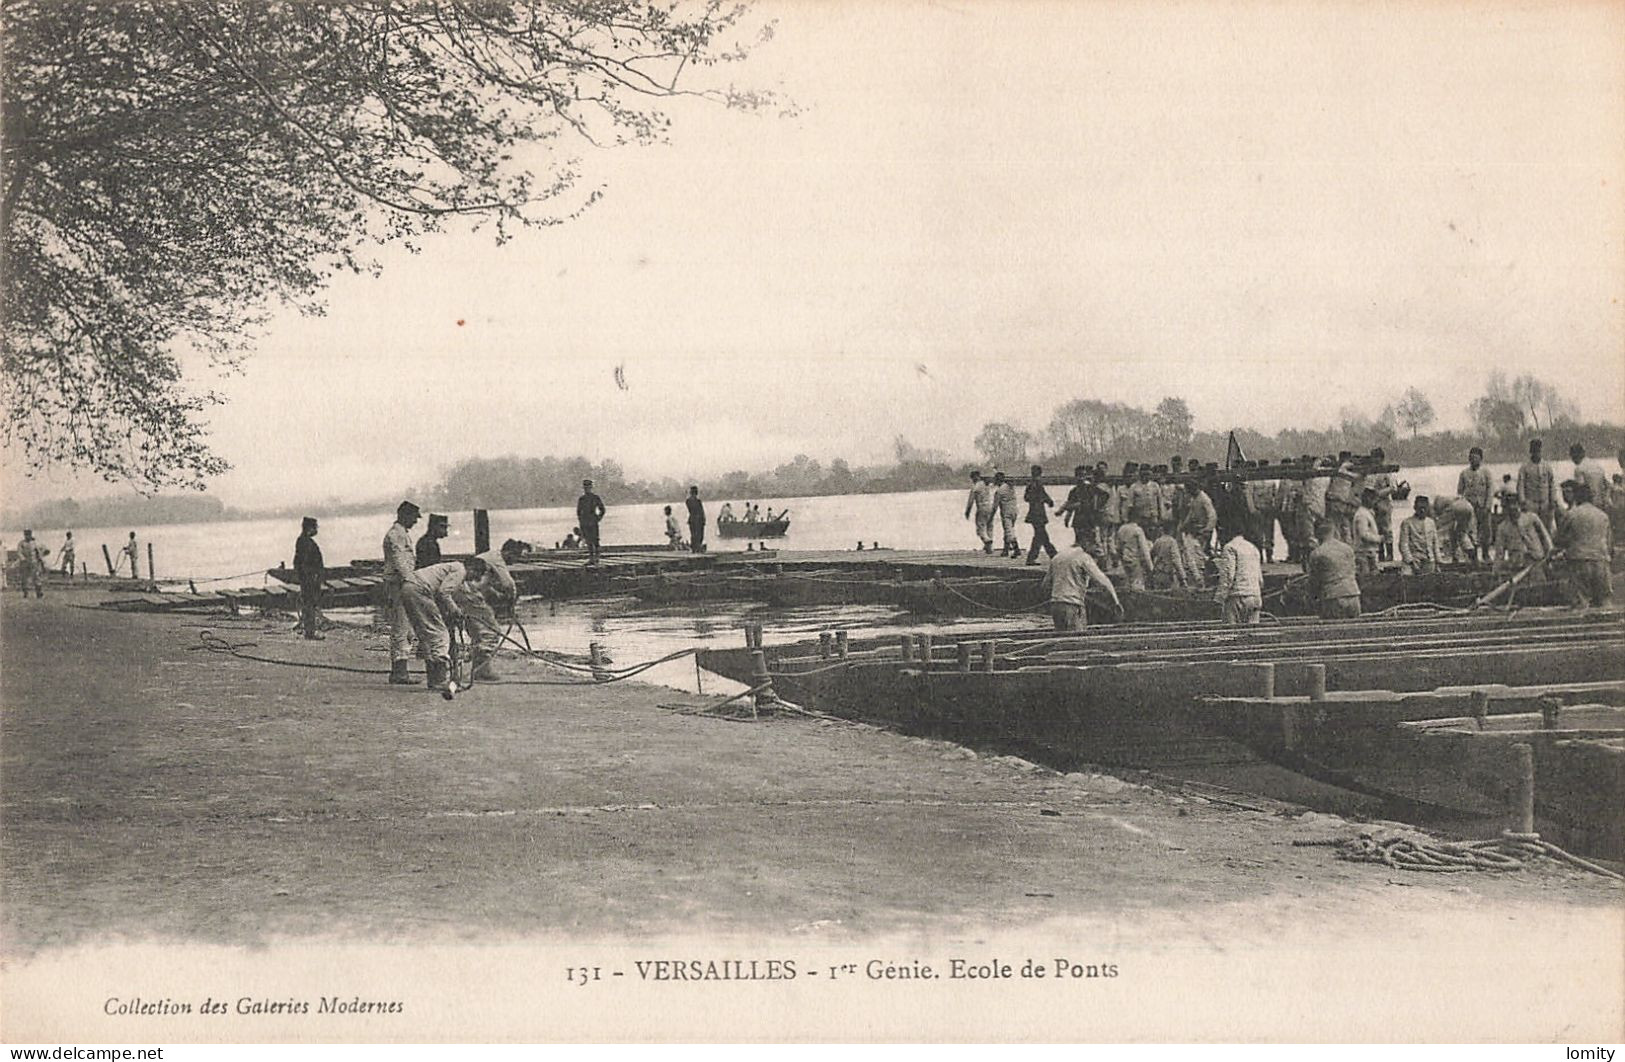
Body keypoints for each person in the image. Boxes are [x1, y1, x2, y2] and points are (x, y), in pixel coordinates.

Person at [400, 558, 473, 691]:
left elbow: (441, 594)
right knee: (439, 634)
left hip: (409, 587)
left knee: (427, 635)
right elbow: (444, 593)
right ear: (472, 568)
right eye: (476, 575)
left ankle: (433, 680)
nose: (474, 579)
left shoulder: (451, 567)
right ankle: (439, 680)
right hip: (419, 589)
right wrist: (456, 611)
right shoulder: (460, 570)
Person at [453, 553, 516, 682]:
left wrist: (496, 594)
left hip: (461, 592)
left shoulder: (486, 557)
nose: (514, 561)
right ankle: (483, 669)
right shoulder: (497, 559)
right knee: (492, 631)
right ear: (510, 551)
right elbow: (507, 583)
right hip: (468, 593)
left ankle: (478, 668)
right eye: (516, 556)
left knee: (477, 632)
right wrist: (512, 596)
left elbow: (484, 585)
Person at [382, 501, 423, 684]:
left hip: (402, 583)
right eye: (413, 517)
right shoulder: (395, 535)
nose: (415, 522)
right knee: (401, 627)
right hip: (399, 585)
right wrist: (411, 581)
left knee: (405, 628)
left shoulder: (401, 533)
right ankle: (399, 672)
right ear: (404, 515)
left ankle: (400, 669)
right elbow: (400, 562)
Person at [1554, 482, 1612, 608]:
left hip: (1579, 561)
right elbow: (1609, 543)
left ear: (1577, 497)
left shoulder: (1572, 514)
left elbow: (1558, 540)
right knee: (1604, 601)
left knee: (1582, 601)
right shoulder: (1603, 516)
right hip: (1601, 560)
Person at [1039, 542, 1121, 631]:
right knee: (1077, 638)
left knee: (1061, 638)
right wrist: (1116, 602)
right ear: (1088, 546)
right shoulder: (1084, 557)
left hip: (1056, 606)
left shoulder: (1058, 557)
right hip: (1073, 606)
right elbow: (1104, 581)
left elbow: (1045, 585)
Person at [1308, 519, 1362, 619]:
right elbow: (1353, 571)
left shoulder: (1317, 553)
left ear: (1315, 534)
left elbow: (1313, 581)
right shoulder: (1347, 549)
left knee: (1333, 632)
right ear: (1333, 531)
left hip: (1332, 597)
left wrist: (1312, 598)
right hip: (1353, 594)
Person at [1491, 495, 1553, 575]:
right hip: (1517, 565)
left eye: (1515, 504)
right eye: (1509, 505)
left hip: (1536, 561)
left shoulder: (1532, 518)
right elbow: (1499, 553)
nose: (1512, 507)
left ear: (1519, 505)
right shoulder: (1502, 528)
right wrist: (1495, 571)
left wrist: (1549, 556)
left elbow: (1545, 537)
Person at [1214, 528, 1263, 626]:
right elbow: (1260, 579)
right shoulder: (1253, 548)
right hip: (1255, 596)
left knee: (1232, 635)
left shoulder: (1229, 547)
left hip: (1237, 597)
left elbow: (1228, 576)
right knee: (1253, 635)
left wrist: (1219, 598)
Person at [1178, 477, 1217, 587]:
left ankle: (1201, 581)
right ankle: (1198, 580)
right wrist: (1183, 526)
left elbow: (1212, 516)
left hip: (1202, 532)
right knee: (1193, 556)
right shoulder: (1194, 498)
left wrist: (1207, 530)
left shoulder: (1204, 499)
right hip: (1195, 530)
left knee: (1198, 557)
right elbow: (1191, 514)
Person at [1457, 447, 1493, 562]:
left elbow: (1490, 490)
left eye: (1476, 458)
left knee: (1486, 531)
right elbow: (1460, 492)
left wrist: (1487, 506)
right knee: (1472, 531)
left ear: (1481, 459)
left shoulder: (1486, 472)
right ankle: (1474, 557)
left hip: (1483, 506)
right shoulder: (1464, 473)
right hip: (1470, 508)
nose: (1473, 460)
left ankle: (1486, 554)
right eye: (1471, 458)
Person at [293, 516, 324, 640]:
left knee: (309, 604)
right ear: (309, 528)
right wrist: (312, 577)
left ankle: (309, 630)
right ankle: (310, 632)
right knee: (310, 604)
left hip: (308, 578)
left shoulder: (302, 541)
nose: (317, 530)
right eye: (315, 527)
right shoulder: (305, 542)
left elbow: (297, 562)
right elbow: (303, 563)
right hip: (309, 579)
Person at [1518, 438, 1557, 533]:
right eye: (1534, 451)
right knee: (1531, 529)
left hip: (1545, 503)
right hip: (1531, 503)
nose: (1537, 454)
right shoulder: (1525, 467)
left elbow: (1552, 484)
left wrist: (1553, 499)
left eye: (1538, 451)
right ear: (1531, 452)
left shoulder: (1547, 467)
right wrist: (1522, 501)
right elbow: (1521, 485)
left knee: (1546, 529)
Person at [1023, 465, 1058, 565]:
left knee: (1040, 535)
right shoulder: (1037, 484)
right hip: (1038, 513)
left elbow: (1026, 498)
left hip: (1034, 513)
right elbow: (1043, 495)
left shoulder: (1031, 484)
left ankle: (1051, 555)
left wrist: (1047, 500)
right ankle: (1052, 555)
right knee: (1041, 535)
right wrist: (1048, 501)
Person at [1398, 496, 1440, 575]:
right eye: (1420, 508)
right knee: (1407, 577)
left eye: (1424, 508)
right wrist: (1410, 560)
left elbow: (1435, 543)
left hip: (1428, 560)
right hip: (1413, 560)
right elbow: (1403, 545)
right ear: (1415, 508)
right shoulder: (1407, 523)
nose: (1422, 510)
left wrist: (1438, 561)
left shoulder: (1431, 522)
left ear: (1428, 508)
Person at [1366, 447, 1396, 562]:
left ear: (1382, 459)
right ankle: (1380, 554)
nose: (1375, 461)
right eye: (1373, 459)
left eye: (1377, 459)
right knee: (1375, 529)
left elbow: (1393, 487)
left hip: (1384, 503)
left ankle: (1390, 554)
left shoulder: (1386, 471)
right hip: (1373, 504)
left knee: (1386, 529)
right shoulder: (1370, 471)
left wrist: (1379, 493)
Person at [1114, 515, 1154, 591]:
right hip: (1135, 561)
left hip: (1125, 560)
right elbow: (1144, 550)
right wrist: (1151, 567)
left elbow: (1118, 548)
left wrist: (1120, 559)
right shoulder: (1138, 530)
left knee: (1128, 584)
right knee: (1138, 587)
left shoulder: (1121, 529)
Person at [1569, 443, 1611, 512]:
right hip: (1602, 504)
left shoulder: (1579, 469)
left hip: (1590, 505)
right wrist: (1606, 499)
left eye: (1572, 457)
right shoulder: (1597, 465)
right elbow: (1608, 485)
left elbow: (1580, 489)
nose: (1572, 460)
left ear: (1575, 456)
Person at [964, 471, 996, 554]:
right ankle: (989, 548)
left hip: (981, 508)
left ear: (974, 477)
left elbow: (970, 501)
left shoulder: (975, 487)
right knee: (989, 526)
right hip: (990, 507)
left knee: (980, 527)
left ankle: (987, 540)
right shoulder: (987, 485)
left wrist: (967, 511)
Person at [1352, 489, 1383, 574]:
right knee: (1365, 577)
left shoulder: (1367, 512)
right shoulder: (1362, 514)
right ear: (1367, 499)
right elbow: (1363, 534)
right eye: (1374, 500)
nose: (1375, 502)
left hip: (1369, 552)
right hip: (1363, 553)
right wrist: (1379, 538)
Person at [1149, 523, 1187, 590]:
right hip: (1168, 573)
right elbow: (1176, 560)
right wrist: (1183, 577)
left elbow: (1151, 555)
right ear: (1171, 531)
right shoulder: (1172, 542)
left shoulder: (1158, 541)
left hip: (1158, 572)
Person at [577, 479, 606, 565]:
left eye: (588, 487)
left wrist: (598, 518)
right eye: (585, 488)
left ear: (591, 488)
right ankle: (591, 558)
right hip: (585, 522)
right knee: (588, 541)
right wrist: (581, 521)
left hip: (593, 521)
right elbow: (578, 512)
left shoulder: (595, 498)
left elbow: (602, 509)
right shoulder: (581, 499)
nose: (587, 489)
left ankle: (597, 558)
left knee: (595, 540)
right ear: (584, 488)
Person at [1125, 464, 1163, 530]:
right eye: (1143, 474)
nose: (1145, 477)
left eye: (1147, 474)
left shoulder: (1155, 485)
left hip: (1153, 518)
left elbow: (1159, 502)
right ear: (1140, 474)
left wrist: (1161, 517)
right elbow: (1130, 504)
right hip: (1139, 518)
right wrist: (1129, 519)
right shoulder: (1134, 487)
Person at [992, 471, 1020, 557]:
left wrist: (990, 517)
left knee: (1008, 531)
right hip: (1015, 511)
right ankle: (1006, 550)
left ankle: (1016, 549)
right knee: (1009, 530)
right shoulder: (1010, 488)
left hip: (1006, 512)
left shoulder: (999, 491)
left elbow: (995, 507)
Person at [14, 530, 45, 598]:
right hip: (25, 563)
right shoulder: (21, 543)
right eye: (26, 535)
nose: (27, 536)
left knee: (37, 578)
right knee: (24, 579)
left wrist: (41, 560)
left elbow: (39, 552)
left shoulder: (35, 543)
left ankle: (39, 593)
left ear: (31, 535)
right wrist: (23, 559)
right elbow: (19, 552)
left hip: (34, 563)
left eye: (29, 535)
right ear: (24, 535)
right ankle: (25, 593)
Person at [686, 486, 707, 553]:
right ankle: (697, 547)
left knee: (693, 535)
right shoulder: (697, 501)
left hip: (692, 519)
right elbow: (701, 511)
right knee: (699, 534)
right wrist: (703, 519)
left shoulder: (688, 501)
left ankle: (694, 548)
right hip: (698, 519)